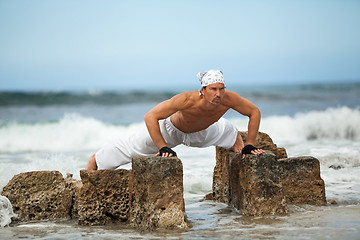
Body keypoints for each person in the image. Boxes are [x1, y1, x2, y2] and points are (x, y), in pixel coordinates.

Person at [86, 70, 264, 170]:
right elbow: (150, 116)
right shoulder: (186, 99)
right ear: (203, 90)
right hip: (170, 131)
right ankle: (93, 164)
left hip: (204, 132)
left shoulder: (228, 99)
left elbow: (254, 112)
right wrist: (163, 146)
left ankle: (238, 141)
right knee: (106, 157)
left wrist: (250, 144)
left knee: (228, 130)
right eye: (213, 89)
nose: (218, 94)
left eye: (221, 89)